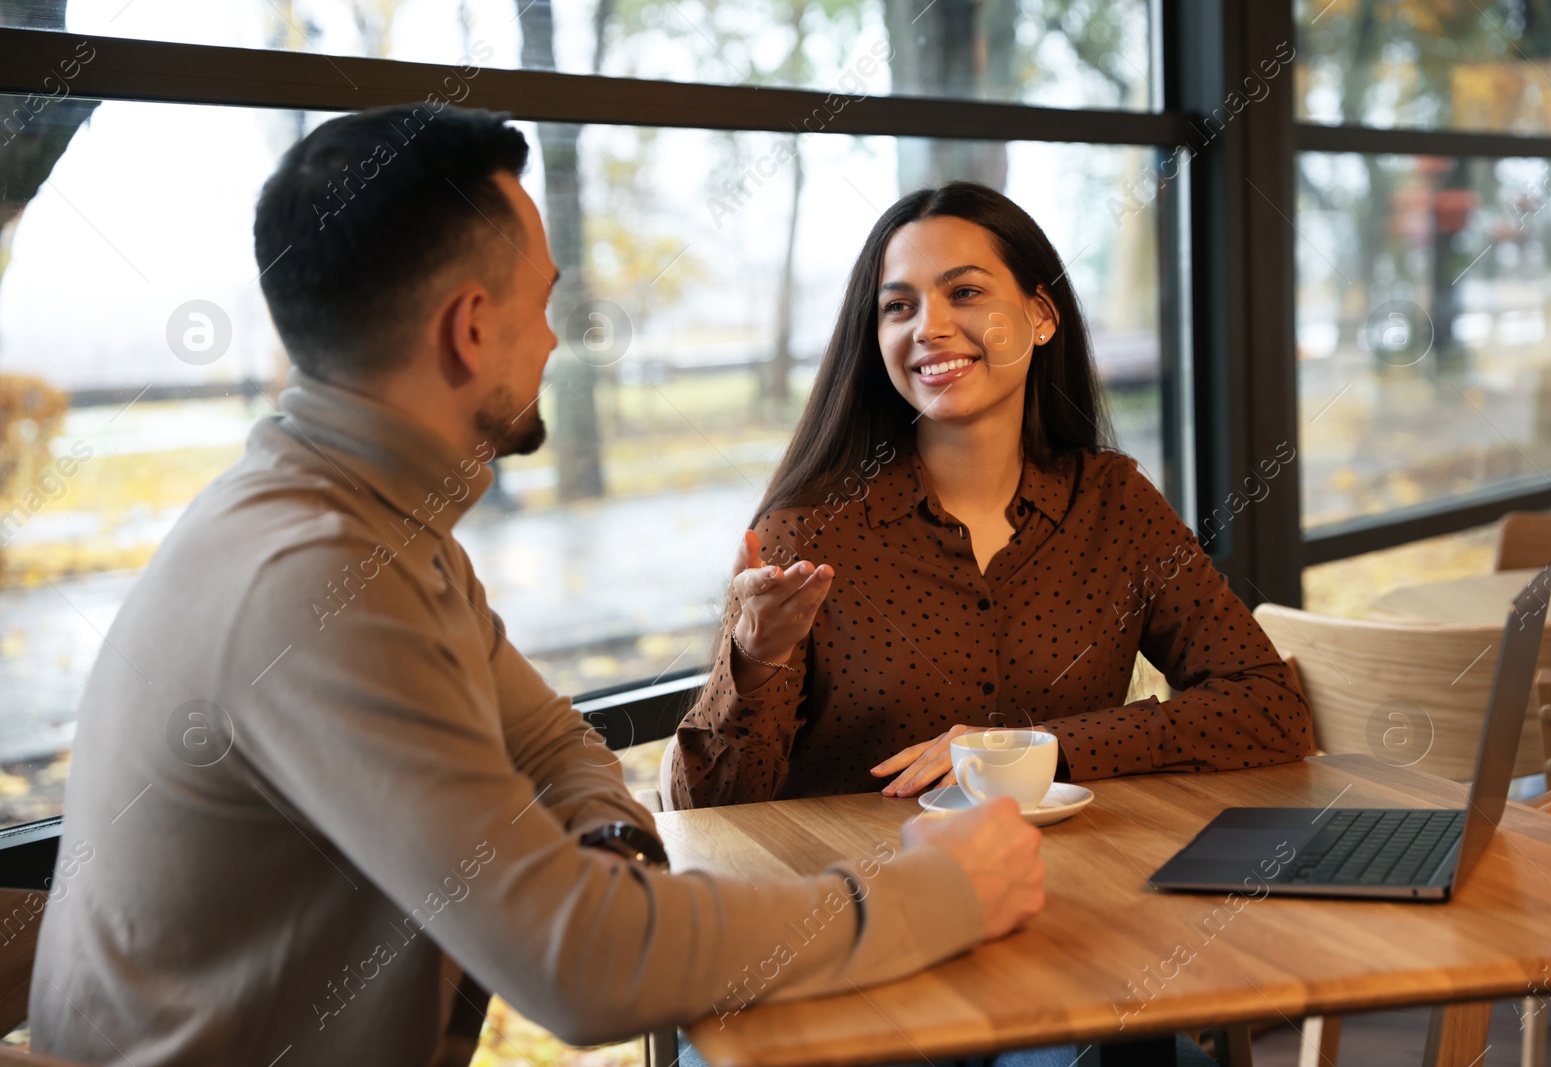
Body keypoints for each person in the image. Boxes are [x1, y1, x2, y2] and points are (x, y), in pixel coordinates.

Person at [29, 106, 1047, 1067]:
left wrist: (605, 842)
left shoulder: (380, 534)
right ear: (472, 329)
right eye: (544, 302)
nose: (556, 339)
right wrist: (939, 889)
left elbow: (555, 740)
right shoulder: (316, 577)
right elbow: (586, 967)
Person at [670, 181, 1313, 810]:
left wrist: (1033, 747)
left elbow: (1270, 710)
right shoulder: (806, 535)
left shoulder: (1114, 502)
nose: (930, 327)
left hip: (1076, 883)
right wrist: (755, 660)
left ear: (1040, 317)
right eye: (899, 306)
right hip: (865, 899)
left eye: (965, 292)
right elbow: (708, 809)